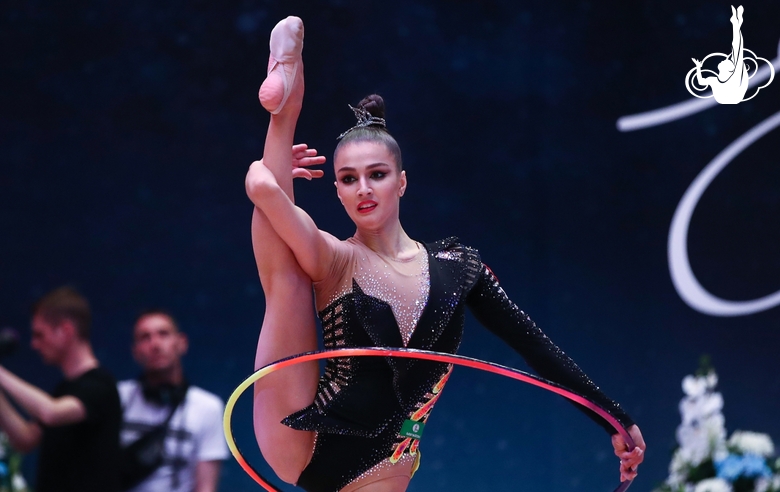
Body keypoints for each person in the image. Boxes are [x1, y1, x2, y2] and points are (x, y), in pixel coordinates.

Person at [247, 16, 647, 492]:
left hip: (384, 466)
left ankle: (281, 112)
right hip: (304, 438)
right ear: (336, 191)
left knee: (274, 205)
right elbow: (270, 205)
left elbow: (533, 345)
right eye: (349, 179)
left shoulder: (459, 267)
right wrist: (264, 184)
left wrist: (612, 417)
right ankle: (285, 95)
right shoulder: (334, 256)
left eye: (376, 174)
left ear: (402, 181)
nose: (363, 189)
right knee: (286, 279)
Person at [0, 286, 122, 492]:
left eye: (40, 335)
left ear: (66, 330)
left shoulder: (101, 385)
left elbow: (51, 413)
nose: (35, 344)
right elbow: (25, 439)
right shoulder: (65, 389)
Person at [118, 309, 229, 492]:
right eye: (145, 337)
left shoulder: (208, 407)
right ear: (135, 351)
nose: (155, 344)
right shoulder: (118, 397)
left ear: (182, 343)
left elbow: (205, 488)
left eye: (163, 334)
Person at [692, 5, 748, 104]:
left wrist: (736, 25)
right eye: (728, 60)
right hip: (727, 101)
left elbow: (737, 47)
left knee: (737, 50)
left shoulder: (732, 78)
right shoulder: (716, 80)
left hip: (731, 99)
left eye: (727, 61)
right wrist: (698, 67)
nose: (725, 59)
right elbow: (701, 82)